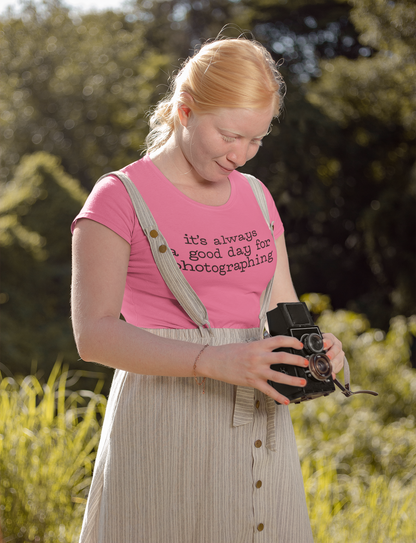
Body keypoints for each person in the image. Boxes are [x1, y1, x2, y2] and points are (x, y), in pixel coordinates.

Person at [71, 36, 345, 543]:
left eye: (256, 140)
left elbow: (283, 307)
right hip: (163, 429)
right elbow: (94, 335)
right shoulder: (118, 197)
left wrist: (317, 349)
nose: (241, 154)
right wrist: (212, 360)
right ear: (185, 110)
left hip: (261, 430)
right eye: (229, 135)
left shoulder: (258, 198)